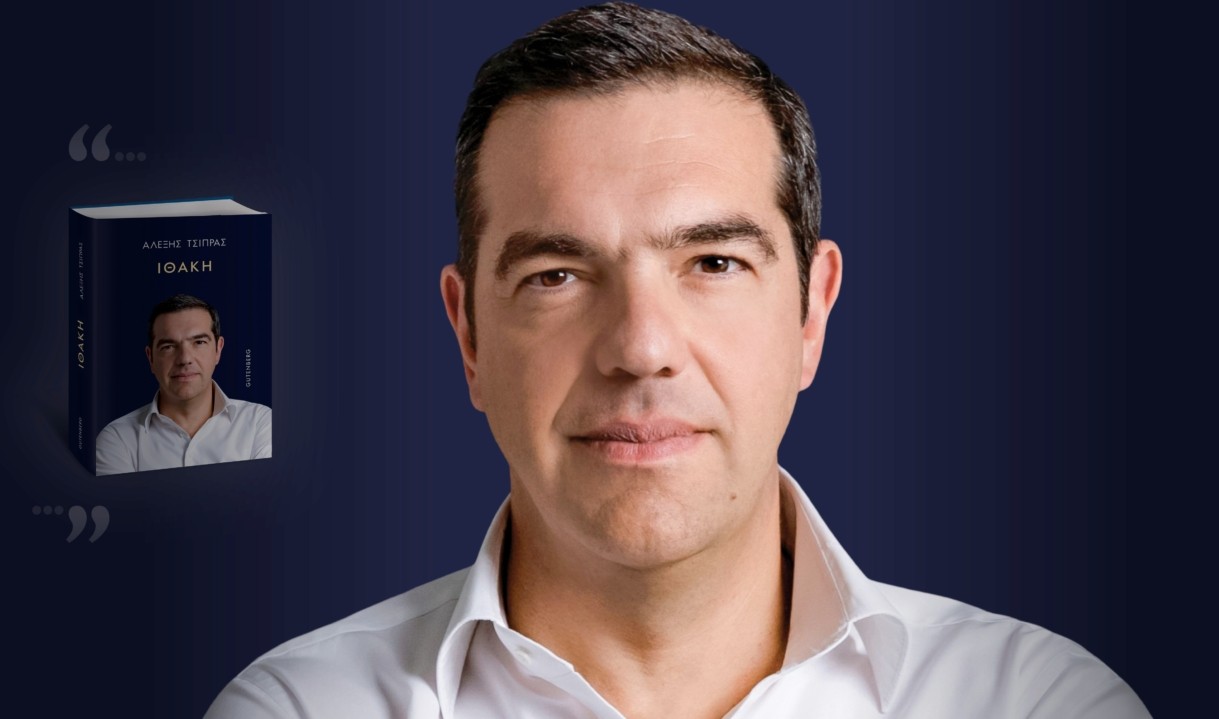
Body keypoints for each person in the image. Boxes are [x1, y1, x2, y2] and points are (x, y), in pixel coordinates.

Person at [207, 4, 1148, 717]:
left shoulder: (1038, 701)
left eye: (713, 263)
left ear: (812, 312)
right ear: (470, 337)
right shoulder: (300, 707)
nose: (641, 348)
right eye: (556, 275)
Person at [95, 293, 272, 475]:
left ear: (218, 350)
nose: (185, 359)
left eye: (199, 342)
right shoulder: (117, 439)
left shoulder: (260, 423)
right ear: (151, 358)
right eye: (168, 347)